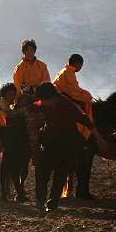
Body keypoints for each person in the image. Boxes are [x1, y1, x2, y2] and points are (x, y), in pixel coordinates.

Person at [34, 82, 94, 211]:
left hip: (66, 144)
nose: (42, 103)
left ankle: (52, 204)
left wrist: (98, 138)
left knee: (60, 175)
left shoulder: (66, 105)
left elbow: (83, 119)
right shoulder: (45, 103)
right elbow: (36, 104)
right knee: (42, 172)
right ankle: (40, 201)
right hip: (49, 141)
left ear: (51, 97)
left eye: (43, 100)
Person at [53, 53, 95, 198]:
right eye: (81, 65)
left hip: (62, 97)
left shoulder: (64, 71)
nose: (80, 67)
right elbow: (74, 91)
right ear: (77, 63)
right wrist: (87, 95)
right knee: (87, 100)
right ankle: (85, 129)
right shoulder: (69, 73)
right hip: (63, 100)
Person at [12, 39, 50, 168]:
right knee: (28, 114)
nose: (30, 52)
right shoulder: (19, 68)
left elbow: (47, 83)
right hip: (25, 98)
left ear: (35, 50)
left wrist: (36, 90)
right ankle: (34, 150)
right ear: (24, 51)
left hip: (40, 98)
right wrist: (32, 89)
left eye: (32, 49)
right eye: (27, 50)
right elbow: (19, 86)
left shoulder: (42, 66)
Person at [0, 83, 30, 202]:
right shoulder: (1, 105)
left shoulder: (8, 106)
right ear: (4, 95)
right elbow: (5, 118)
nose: (12, 97)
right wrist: (23, 110)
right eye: (10, 94)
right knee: (6, 167)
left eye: (13, 95)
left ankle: (14, 192)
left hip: (10, 141)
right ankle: (7, 193)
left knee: (12, 167)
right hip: (3, 141)